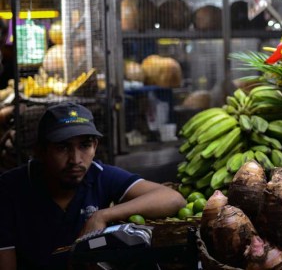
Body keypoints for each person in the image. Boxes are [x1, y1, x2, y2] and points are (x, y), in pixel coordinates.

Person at [0, 102, 186, 270]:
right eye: (62, 147)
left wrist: (102, 215)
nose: (75, 160)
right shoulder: (9, 189)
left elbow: (173, 198)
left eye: (85, 145)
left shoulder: (99, 176)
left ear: (95, 146)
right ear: (40, 151)